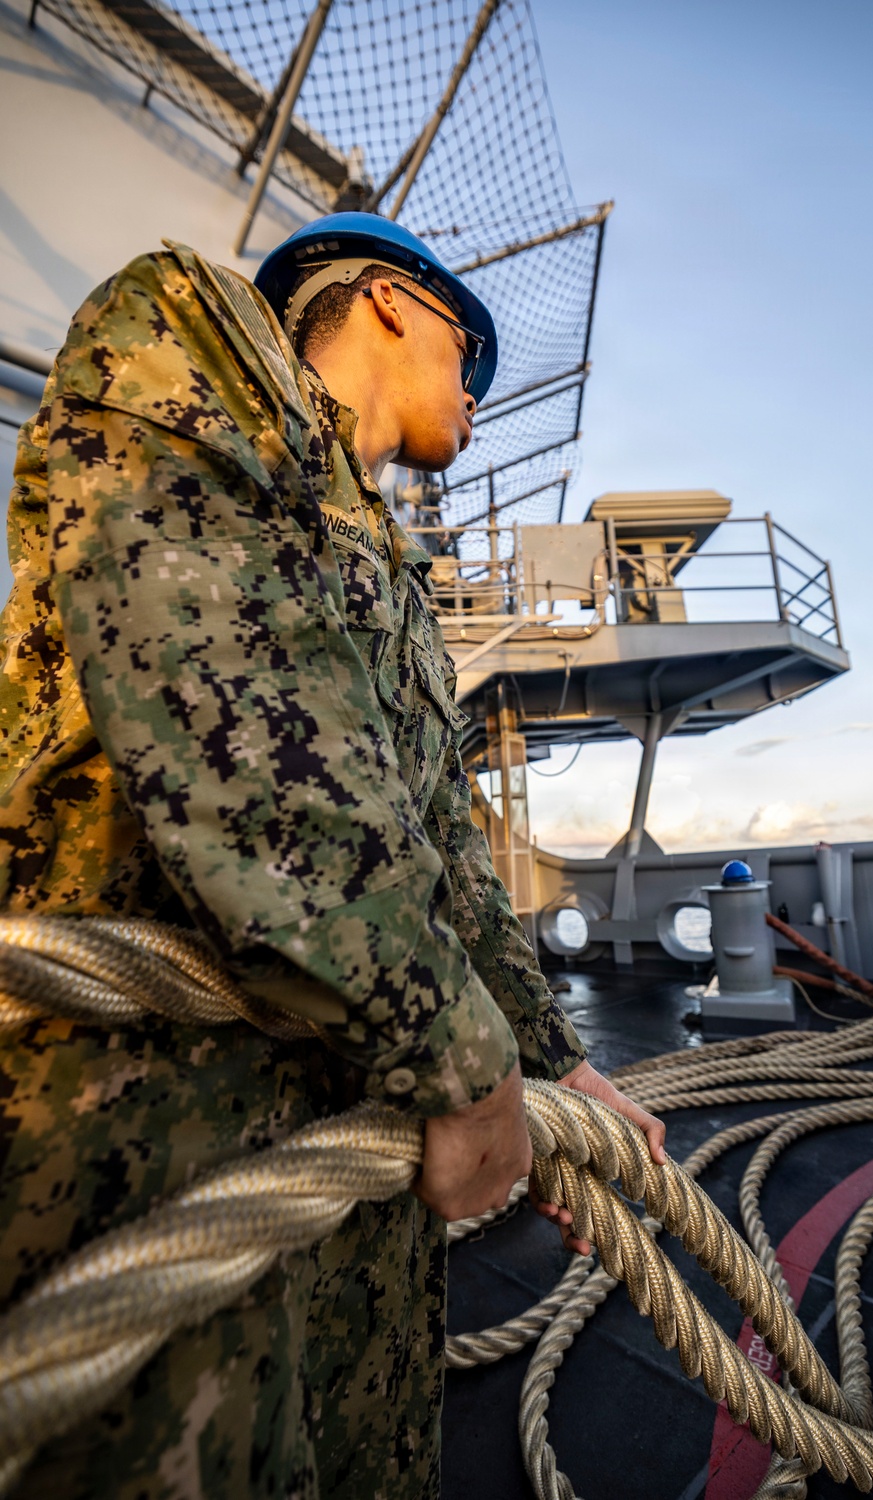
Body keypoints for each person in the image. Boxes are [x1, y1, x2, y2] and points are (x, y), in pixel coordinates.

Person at [0, 213, 665, 1498]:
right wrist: (462, 1064)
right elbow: (256, 750)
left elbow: (435, 858)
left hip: (347, 1149)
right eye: (465, 351)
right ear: (389, 304)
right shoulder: (188, 336)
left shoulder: (388, 571)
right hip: (147, 1134)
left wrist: (553, 1061)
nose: (476, 390)